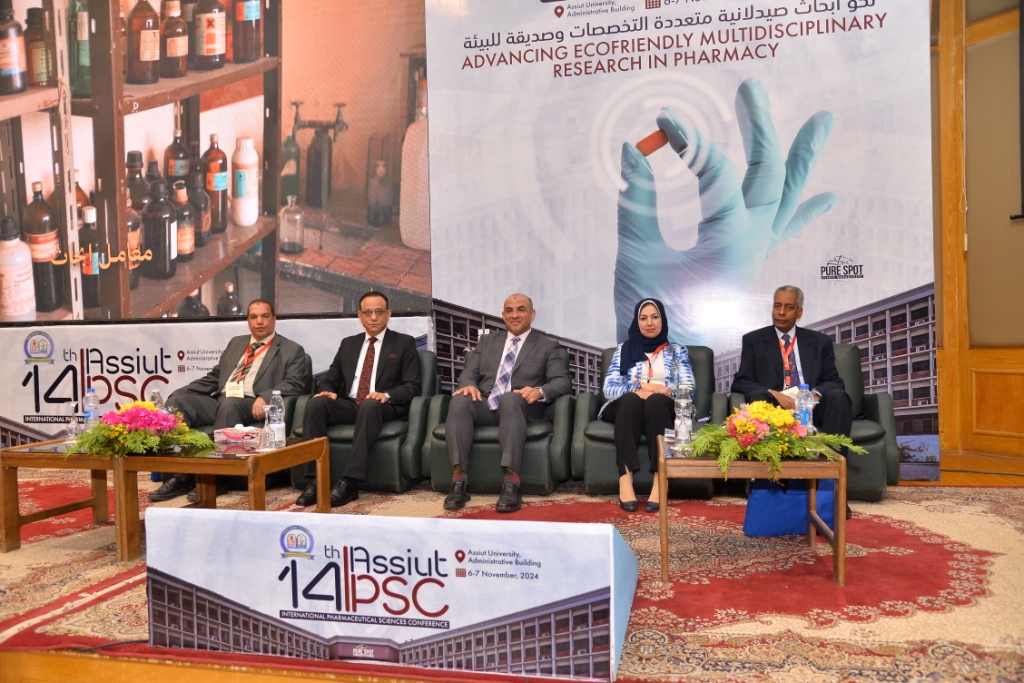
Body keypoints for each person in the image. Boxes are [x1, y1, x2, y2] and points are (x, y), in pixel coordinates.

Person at [149, 299, 309, 502]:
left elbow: (295, 383)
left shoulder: (291, 349)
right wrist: (176, 394)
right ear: (248, 320)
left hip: (251, 404)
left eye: (265, 316)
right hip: (222, 401)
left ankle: (217, 478)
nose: (259, 321)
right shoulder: (236, 343)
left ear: (274, 319)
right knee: (178, 403)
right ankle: (182, 476)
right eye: (253, 317)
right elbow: (215, 377)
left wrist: (265, 396)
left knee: (229, 404)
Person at [443, 293, 571, 513]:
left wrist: (539, 391)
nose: (515, 315)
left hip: (521, 407)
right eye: (509, 311)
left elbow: (562, 381)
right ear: (503, 315)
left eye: (521, 309)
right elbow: (468, 373)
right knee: (460, 399)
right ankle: (459, 482)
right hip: (486, 404)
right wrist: (469, 385)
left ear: (532, 314)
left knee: (510, 398)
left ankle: (512, 484)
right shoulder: (487, 342)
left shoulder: (547, 345)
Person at [295, 292, 420, 508]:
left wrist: (386, 395)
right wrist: (327, 391)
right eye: (368, 312)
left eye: (379, 312)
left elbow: (412, 385)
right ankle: (315, 480)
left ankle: (350, 481)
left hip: (383, 406)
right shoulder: (349, 344)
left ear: (388, 314)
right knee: (316, 403)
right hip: (351, 404)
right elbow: (330, 380)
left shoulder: (403, 343)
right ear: (360, 316)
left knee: (370, 404)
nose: (373, 317)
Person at [599, 299, 695, 513]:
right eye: (643, 318)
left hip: (663, 405)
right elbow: (609, 388)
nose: (649, 323)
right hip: (627, 405)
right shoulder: (623, 350)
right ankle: (625, 479)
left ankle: (661, 480)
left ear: (663, 320)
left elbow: (689, 388)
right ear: (637, 322)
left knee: (656, 402)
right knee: (632, 400)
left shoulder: (677, 351)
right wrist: (642, 387)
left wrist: (661, 392)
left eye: (654, 317)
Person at [731, 285, 851, 439]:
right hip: (774, 407)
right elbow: (741, 381)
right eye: (777, 306)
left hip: (811, 409)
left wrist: (812, 397)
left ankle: (835, 454)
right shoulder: (754, 340)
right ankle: (767, 454)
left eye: (788, 307)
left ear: (799, 312)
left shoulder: (820, 341)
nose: (781, 312)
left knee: (838, 396)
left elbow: (834, 381)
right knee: (758, 397)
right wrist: (774, 393)